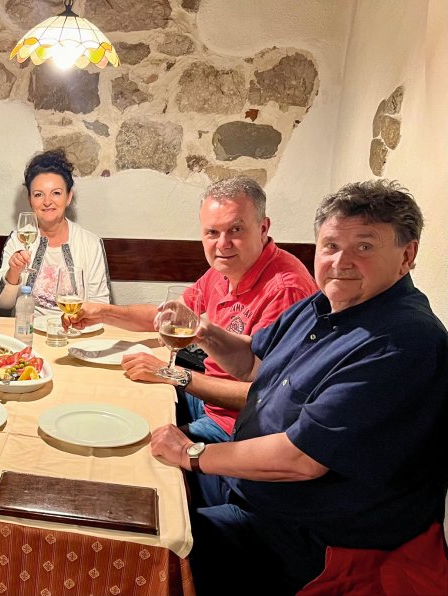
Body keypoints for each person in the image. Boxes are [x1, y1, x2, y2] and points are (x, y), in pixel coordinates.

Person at [150, 180, 448, 593]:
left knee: (154, 546)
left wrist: (192, 453)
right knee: (145, 482)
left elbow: (301, 459)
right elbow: (253, 363)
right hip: (255, 489)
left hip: (310, 536)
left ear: (407, 256)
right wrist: (203, 331)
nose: (341, 261)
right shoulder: (324, 303)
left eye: (364, 246)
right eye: (330, 246)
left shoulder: (402, 341)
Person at [69, 177, 317, 443]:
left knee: (139, 444)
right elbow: (167, 318)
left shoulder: (285, 290)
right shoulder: (224, 268)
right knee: (115, 398)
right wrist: (102, 312)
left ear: (263, 228)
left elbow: (269, 395)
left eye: (235, 230)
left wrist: (172, 374)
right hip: (206, 399)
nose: (223, 244)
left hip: (240, 427)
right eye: (212, 232)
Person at [0, 149, 110, 316]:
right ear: (30, 200)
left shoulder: (90, 243)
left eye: (56, 193)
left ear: (69, 197)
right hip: (27, 328)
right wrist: (14, 272)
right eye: (39, 194)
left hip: (75, 328)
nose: (47, 202)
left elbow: (100, 304)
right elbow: (3, 304)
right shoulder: (18, 239)